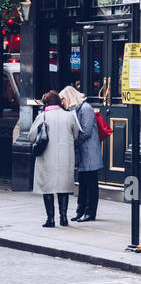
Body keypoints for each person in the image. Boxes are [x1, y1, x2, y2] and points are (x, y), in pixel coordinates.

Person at [27, 91, 80, 227]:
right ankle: (63, 218)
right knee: (63, 188)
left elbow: (31, 137)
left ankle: (50, 219)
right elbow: (76, 135)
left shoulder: (42, 116)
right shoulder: (69, 116)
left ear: (46, 103)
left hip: (46, 158)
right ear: (59, 102)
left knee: (48, 188)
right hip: (66, 158)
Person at [61, 85, 102, 222]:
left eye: (63, 99)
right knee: (83, 183)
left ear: (69, 97)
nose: (62, 103)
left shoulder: (86, 108)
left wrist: (73, 140)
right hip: (83, 152)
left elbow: (86, 131)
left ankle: (90, 213)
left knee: (91, 183)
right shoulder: (76, 109)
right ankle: (80, 210)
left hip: (89, 151)